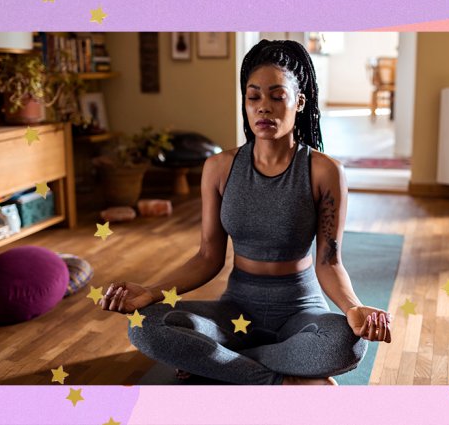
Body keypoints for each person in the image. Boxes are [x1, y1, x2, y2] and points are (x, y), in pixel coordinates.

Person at [100, 39, 392, 385]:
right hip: (235, 310)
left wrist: (353, 308)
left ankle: (224, 362)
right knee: (146, 328)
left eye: (276, 96)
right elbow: (208, 257)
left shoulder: (323, 171)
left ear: (299, 101)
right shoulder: (219, 167)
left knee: (347, 345)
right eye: (253, 97)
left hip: (300, 311)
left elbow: (329, 261)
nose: (263, 108)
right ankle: (282, 380)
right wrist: (152, 291)